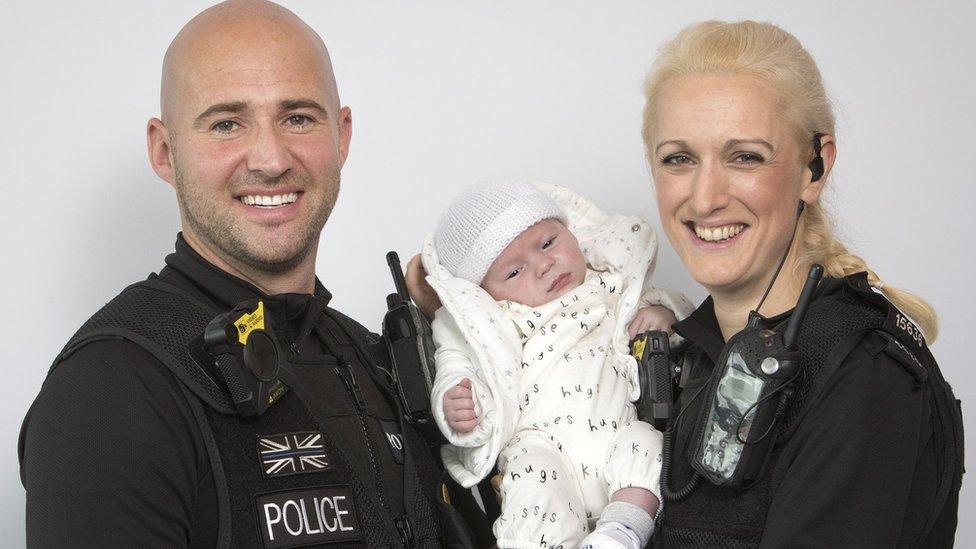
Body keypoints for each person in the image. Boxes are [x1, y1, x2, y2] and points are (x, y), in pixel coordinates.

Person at [18, 1, 486, 547]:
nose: (269, 159)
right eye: (226, 124)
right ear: (165, 151)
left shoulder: (375, 359)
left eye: (297, 118)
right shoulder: (113, 388)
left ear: (342, 136)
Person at [640, 21, 963, 547]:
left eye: (745, 156)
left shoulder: (864, 380)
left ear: (815, 168)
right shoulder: (686, 352)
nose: (704, 200)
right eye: (679, 159)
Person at [413, 180, 694, 548]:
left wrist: (662, 313)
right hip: (542, 446)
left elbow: (685, 314)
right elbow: (455, 365)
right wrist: (455, 401)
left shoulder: (609, 287)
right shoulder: (493, 326)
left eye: (548, 243)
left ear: (571, 232)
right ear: (484, 295)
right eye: (515, 272)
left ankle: (620, 532)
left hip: (617, 434)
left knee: (645, 444)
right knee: (532, 481)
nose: (544, 265)